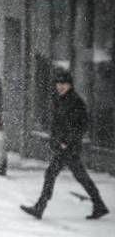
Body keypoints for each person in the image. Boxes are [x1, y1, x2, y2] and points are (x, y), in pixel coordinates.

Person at [21, 69, 108, 220]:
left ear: (70, 85)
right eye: (58, 83)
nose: (60, 86)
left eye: (64, 84)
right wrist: (56, 139)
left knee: (52, 174)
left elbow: (81, 125)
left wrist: (66, 141)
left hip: (68, 147)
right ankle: (99, 204)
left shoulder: (75, 102)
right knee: (80, 176)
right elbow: (58, 123)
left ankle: (40, 207)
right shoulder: (60, 99)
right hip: (63, 146)